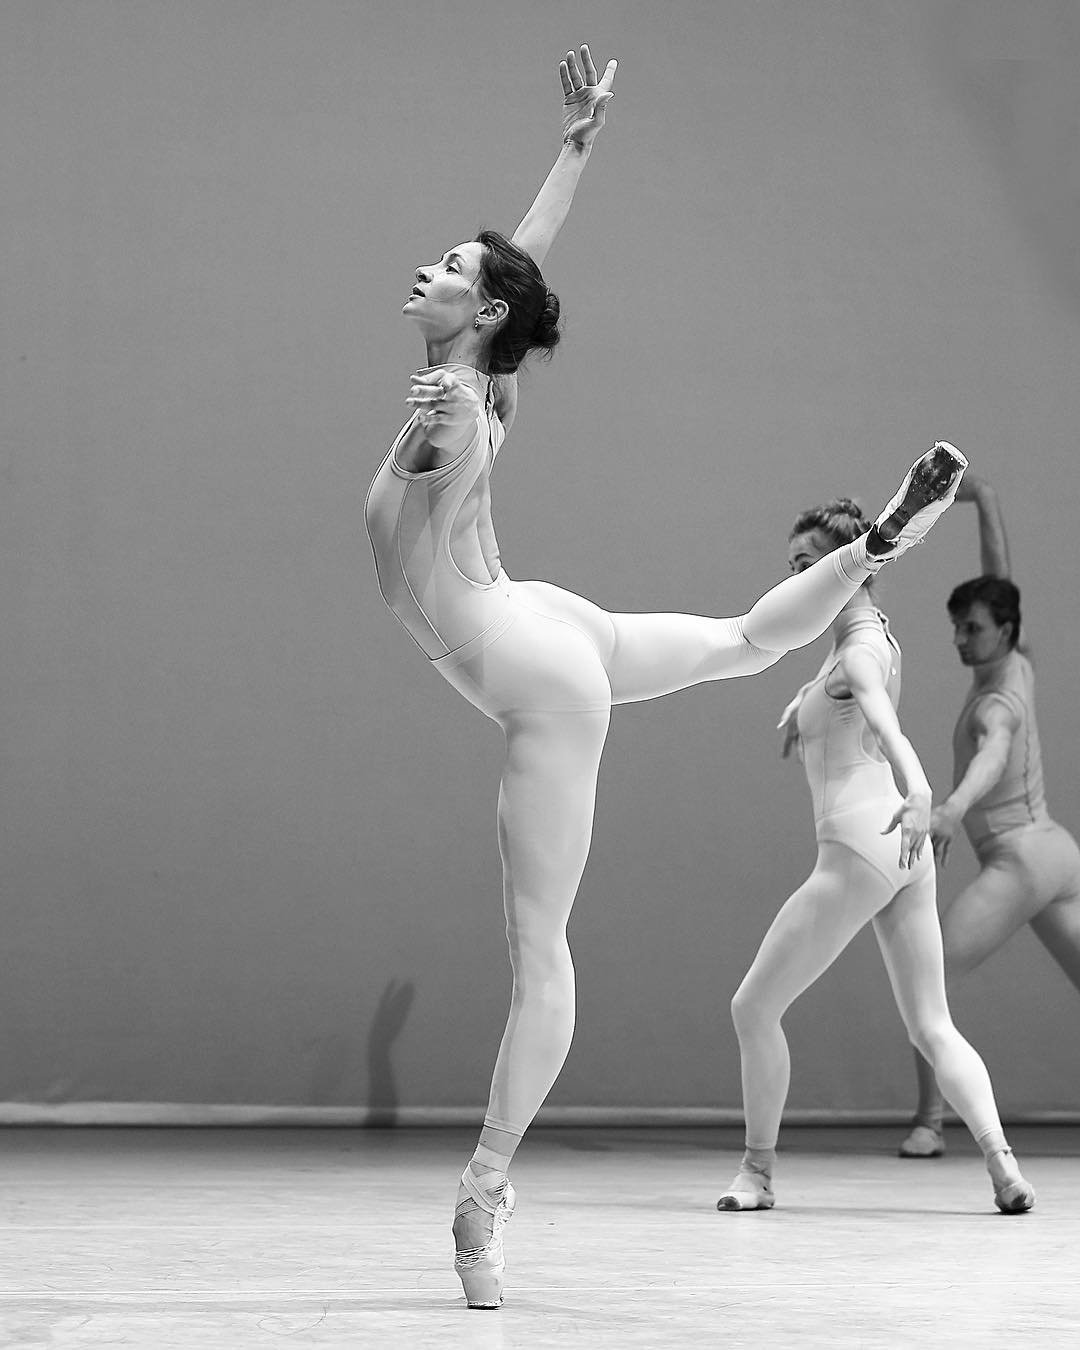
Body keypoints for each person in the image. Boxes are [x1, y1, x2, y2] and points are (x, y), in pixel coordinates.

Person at [365, 44, 967, 1309]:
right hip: (546, 622)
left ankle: (484, 1188)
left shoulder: (459, 403)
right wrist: (574, 149)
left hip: (533, 669)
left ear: (477, 315)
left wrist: (442, 420)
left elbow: (470, 373)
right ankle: (871, 552)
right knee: (745, 643)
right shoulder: (484, 370)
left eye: (450, 268)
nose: (430, 268)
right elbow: (521, 271)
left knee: (543, 955)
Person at [715, 502, 1035, 1217]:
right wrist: (806, 701)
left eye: (808, 567)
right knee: (931, 1023)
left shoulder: (856, 651)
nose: (797, 583)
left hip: (861, 845)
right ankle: (1003, 1166)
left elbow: (882, 719)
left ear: (850, 567)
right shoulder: (870, 632)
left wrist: (921, 790)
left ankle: (757, 1172)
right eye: (792, 569)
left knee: (753, 1007)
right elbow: (848, 689)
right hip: (902, 853)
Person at [898, 474, 1080, 1159]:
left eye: (971, 629)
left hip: (1020, 860)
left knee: (926, 976)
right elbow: (999, 579)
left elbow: (993, 754)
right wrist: (987, 501)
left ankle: (929, 1121)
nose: (960, 638)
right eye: (957, 627)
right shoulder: (1017, 663)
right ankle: (931, 1117)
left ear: (1004, 632)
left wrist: (950, 809)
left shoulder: (996, 704)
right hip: (1057, 854)